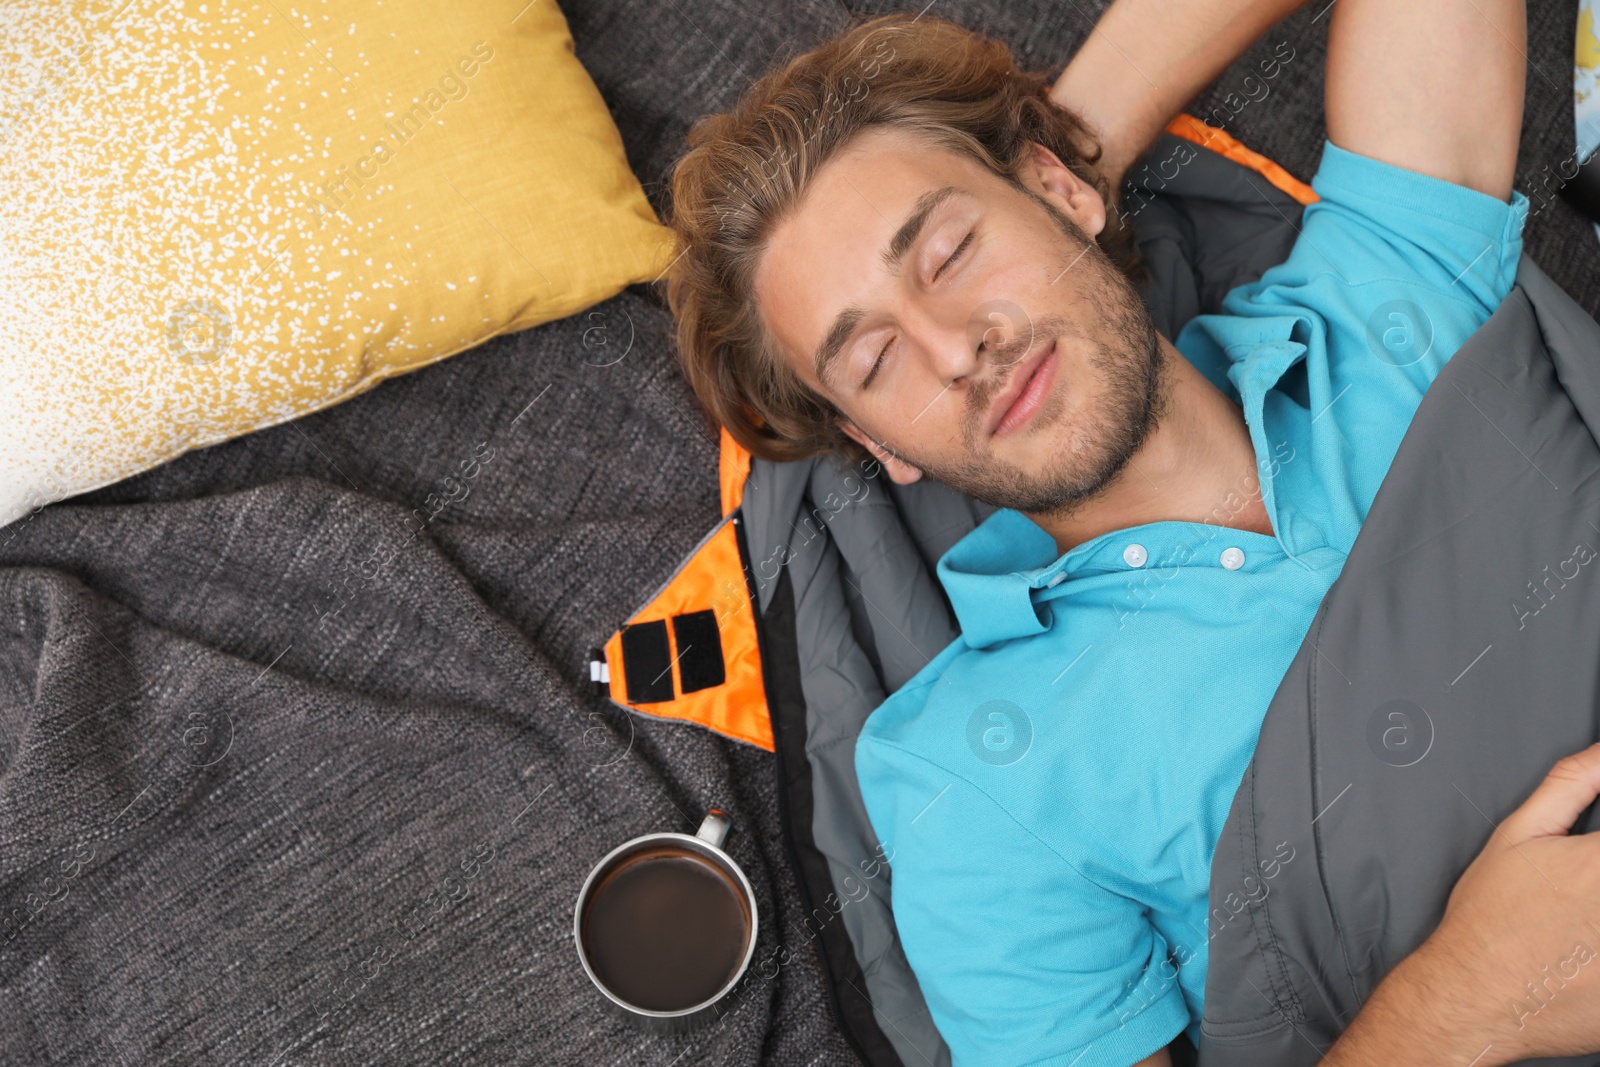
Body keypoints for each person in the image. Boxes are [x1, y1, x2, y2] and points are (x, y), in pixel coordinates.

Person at [660, 2, 1600, 1065]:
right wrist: (1466, 1000)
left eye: (951, 250)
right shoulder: (966, 779)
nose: (955, 346)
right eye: (873, 364)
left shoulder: (1380, 285)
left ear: (1059, 193)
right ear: (879, 445)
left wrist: (1075, 138)